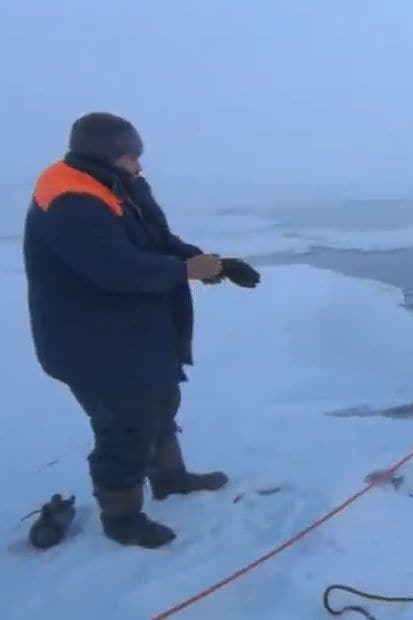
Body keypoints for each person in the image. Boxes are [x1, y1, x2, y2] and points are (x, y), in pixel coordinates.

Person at [23, 112, 260, 549]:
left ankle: (170, 479)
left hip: (133, 332)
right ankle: (122, 518)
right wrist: (185, 270)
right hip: (92, 341)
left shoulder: (115, 185)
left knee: (160, 401)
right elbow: (114, 267)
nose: (139, 165)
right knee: (125, 425)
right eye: (133, 156)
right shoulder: (71, 197)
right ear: (108, 153)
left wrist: (213, 263)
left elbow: (155, 241)